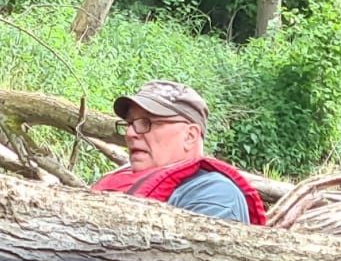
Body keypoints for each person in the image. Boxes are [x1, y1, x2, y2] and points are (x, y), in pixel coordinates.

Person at [90, 80, 266, 224]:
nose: (130, 134)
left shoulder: (216, 195)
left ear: (190, 136)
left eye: (147, 123)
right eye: (129, 123)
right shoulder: (120, 176)